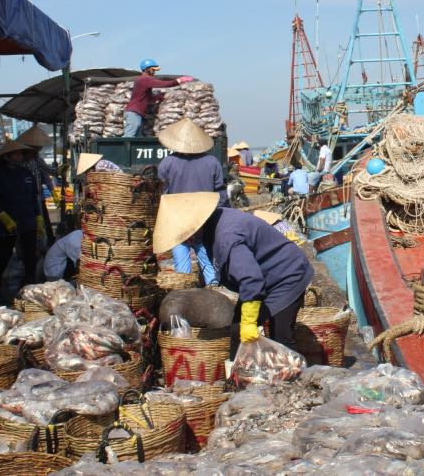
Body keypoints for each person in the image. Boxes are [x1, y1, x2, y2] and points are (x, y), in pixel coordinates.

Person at [153, 192, 313, 354]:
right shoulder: (213, 224)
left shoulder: (226, 237)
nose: (186, 242)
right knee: (237, 328)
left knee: (281, 338)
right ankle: (238, 372)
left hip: (288, 275)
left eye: (186, 236)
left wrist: (249, 322)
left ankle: (297, 376)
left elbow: (252, 280)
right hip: (263, 277)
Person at [156, 118, 224, 285]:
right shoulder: (212, 162)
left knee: (183, 268)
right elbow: (221, 195)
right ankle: (214, 289)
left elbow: (161, 195)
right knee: (208, 262)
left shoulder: (167, 163)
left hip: (178, 221)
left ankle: (185, 292)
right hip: (205, 219)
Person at [0, 140, 42, 296]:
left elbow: (33, 198)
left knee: (30, 256)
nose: (19, 156)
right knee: (4, 255)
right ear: (7, 156)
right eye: (16, 153)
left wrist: (38, 218)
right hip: (6, 222)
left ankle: (29, 288)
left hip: (28, 220)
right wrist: (2, 216)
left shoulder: (26, 174)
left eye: (21, 153)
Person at [124, 59, 193, 137]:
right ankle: (122, 149)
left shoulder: (144, 80)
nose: (154, 72)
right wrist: (178, 80)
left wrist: (158, 97)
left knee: (136, 138)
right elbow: (163, 84)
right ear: (147, 69)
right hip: (134, 112)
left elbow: (148, 98)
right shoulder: (144, 79)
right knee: (129, 136)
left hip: (137, 113)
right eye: (153, 70)